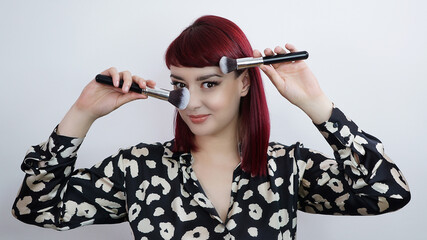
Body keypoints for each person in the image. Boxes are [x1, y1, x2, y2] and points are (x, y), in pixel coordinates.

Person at [12, 15, 410, 239]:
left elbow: (388, 192)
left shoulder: (289, 168)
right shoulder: (139, 168)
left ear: (243, 82)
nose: (192, 101)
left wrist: (316, 104)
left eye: (209, 83)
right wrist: (81, 115)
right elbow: (38, 209)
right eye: (180, 84)